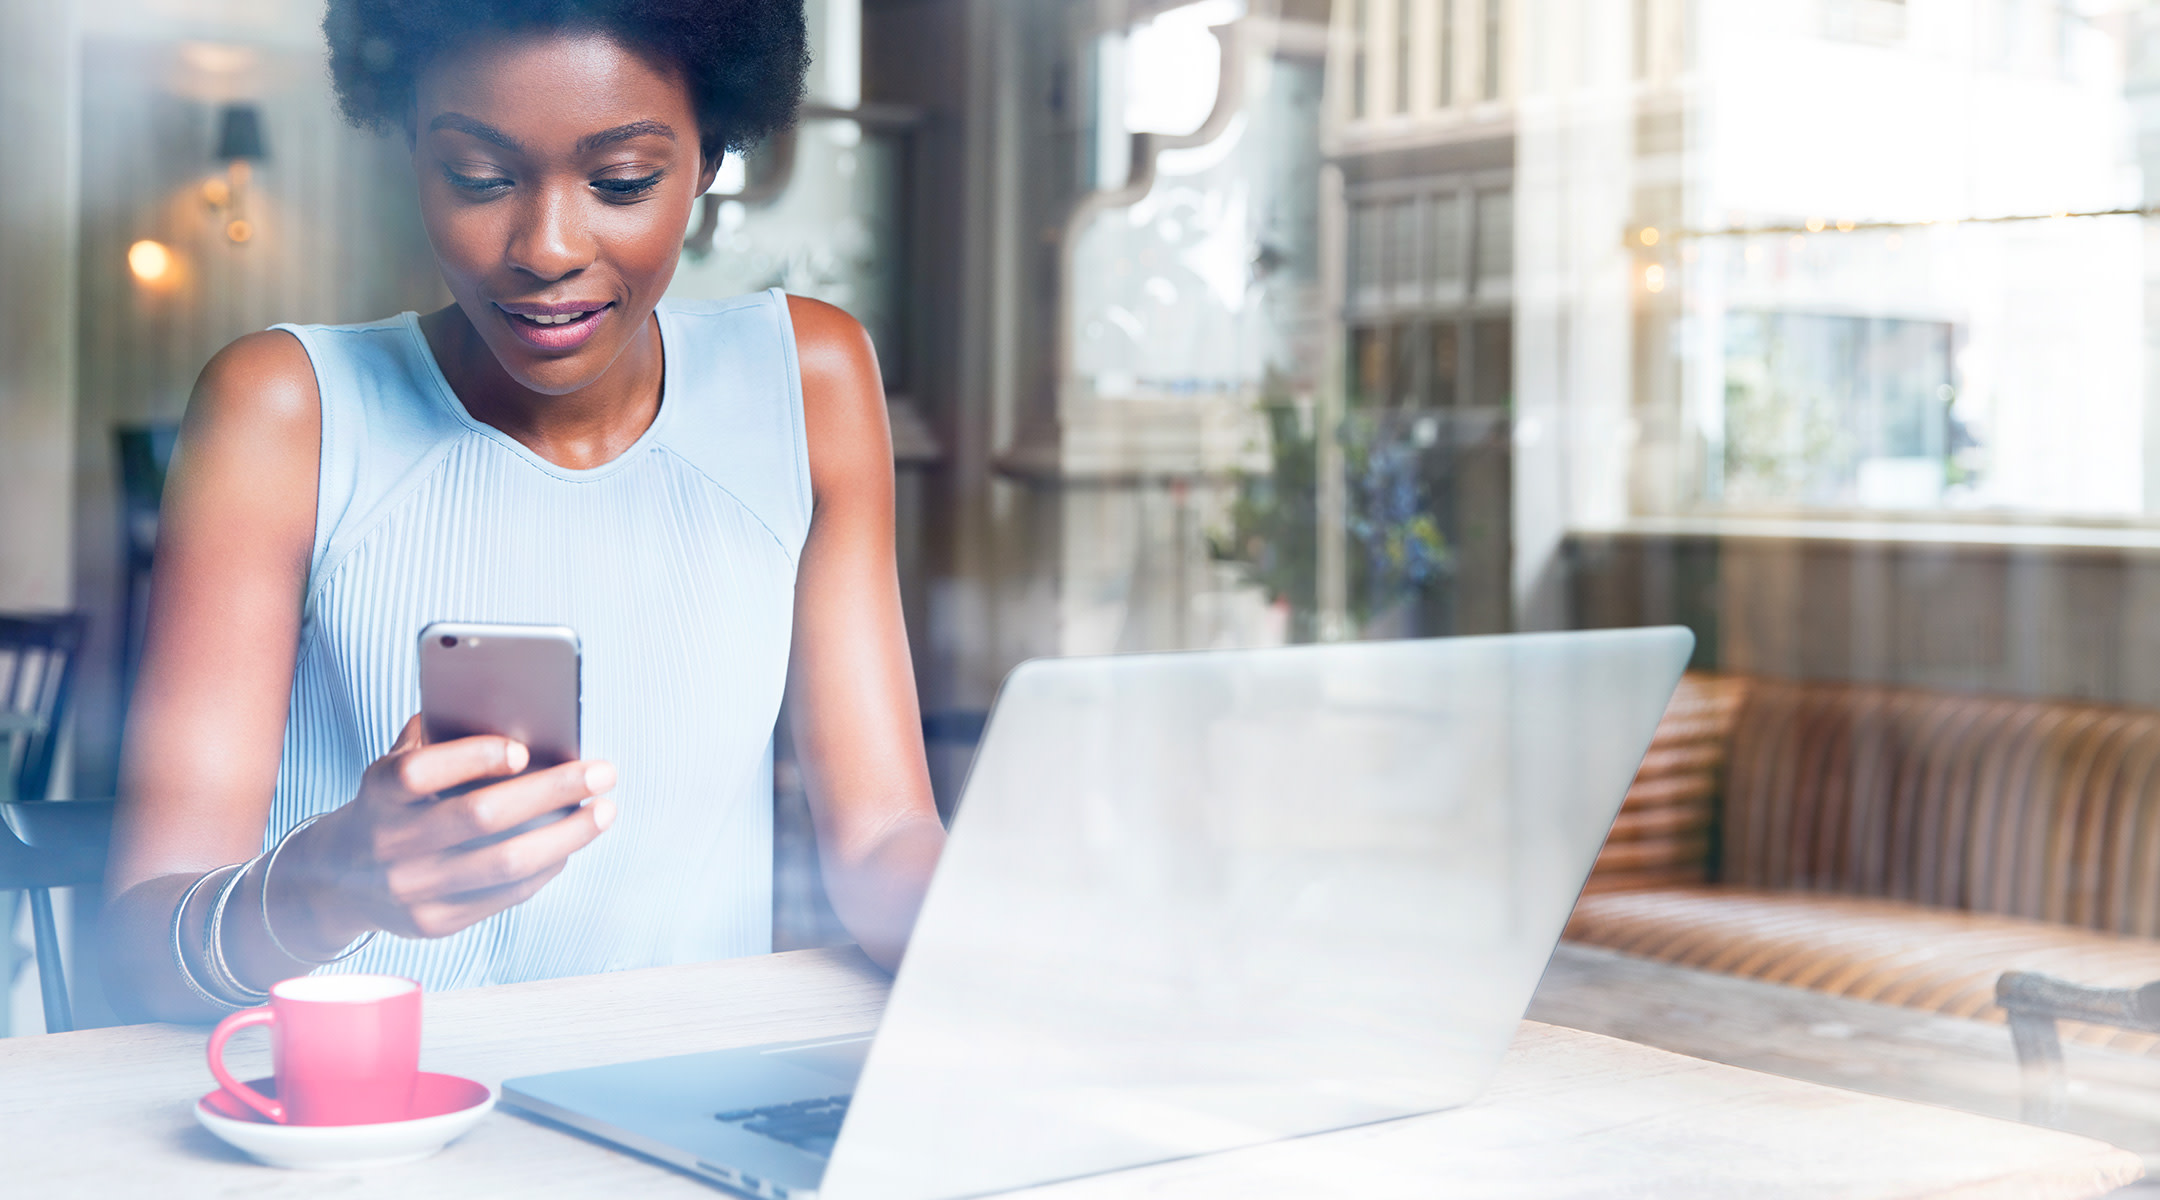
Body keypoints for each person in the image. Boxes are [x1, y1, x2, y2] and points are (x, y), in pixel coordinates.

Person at [101, 0, 945, 1020]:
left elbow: (882, 839)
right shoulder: (284, 408)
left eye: (621, 180)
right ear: (410, 148)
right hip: (353, 1132)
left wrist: (1053, 942)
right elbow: (141, 946)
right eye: (479, 177)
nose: (546, 248)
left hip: (670, 1119)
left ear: (710, 155)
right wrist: (329, 885)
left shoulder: (807, 381)